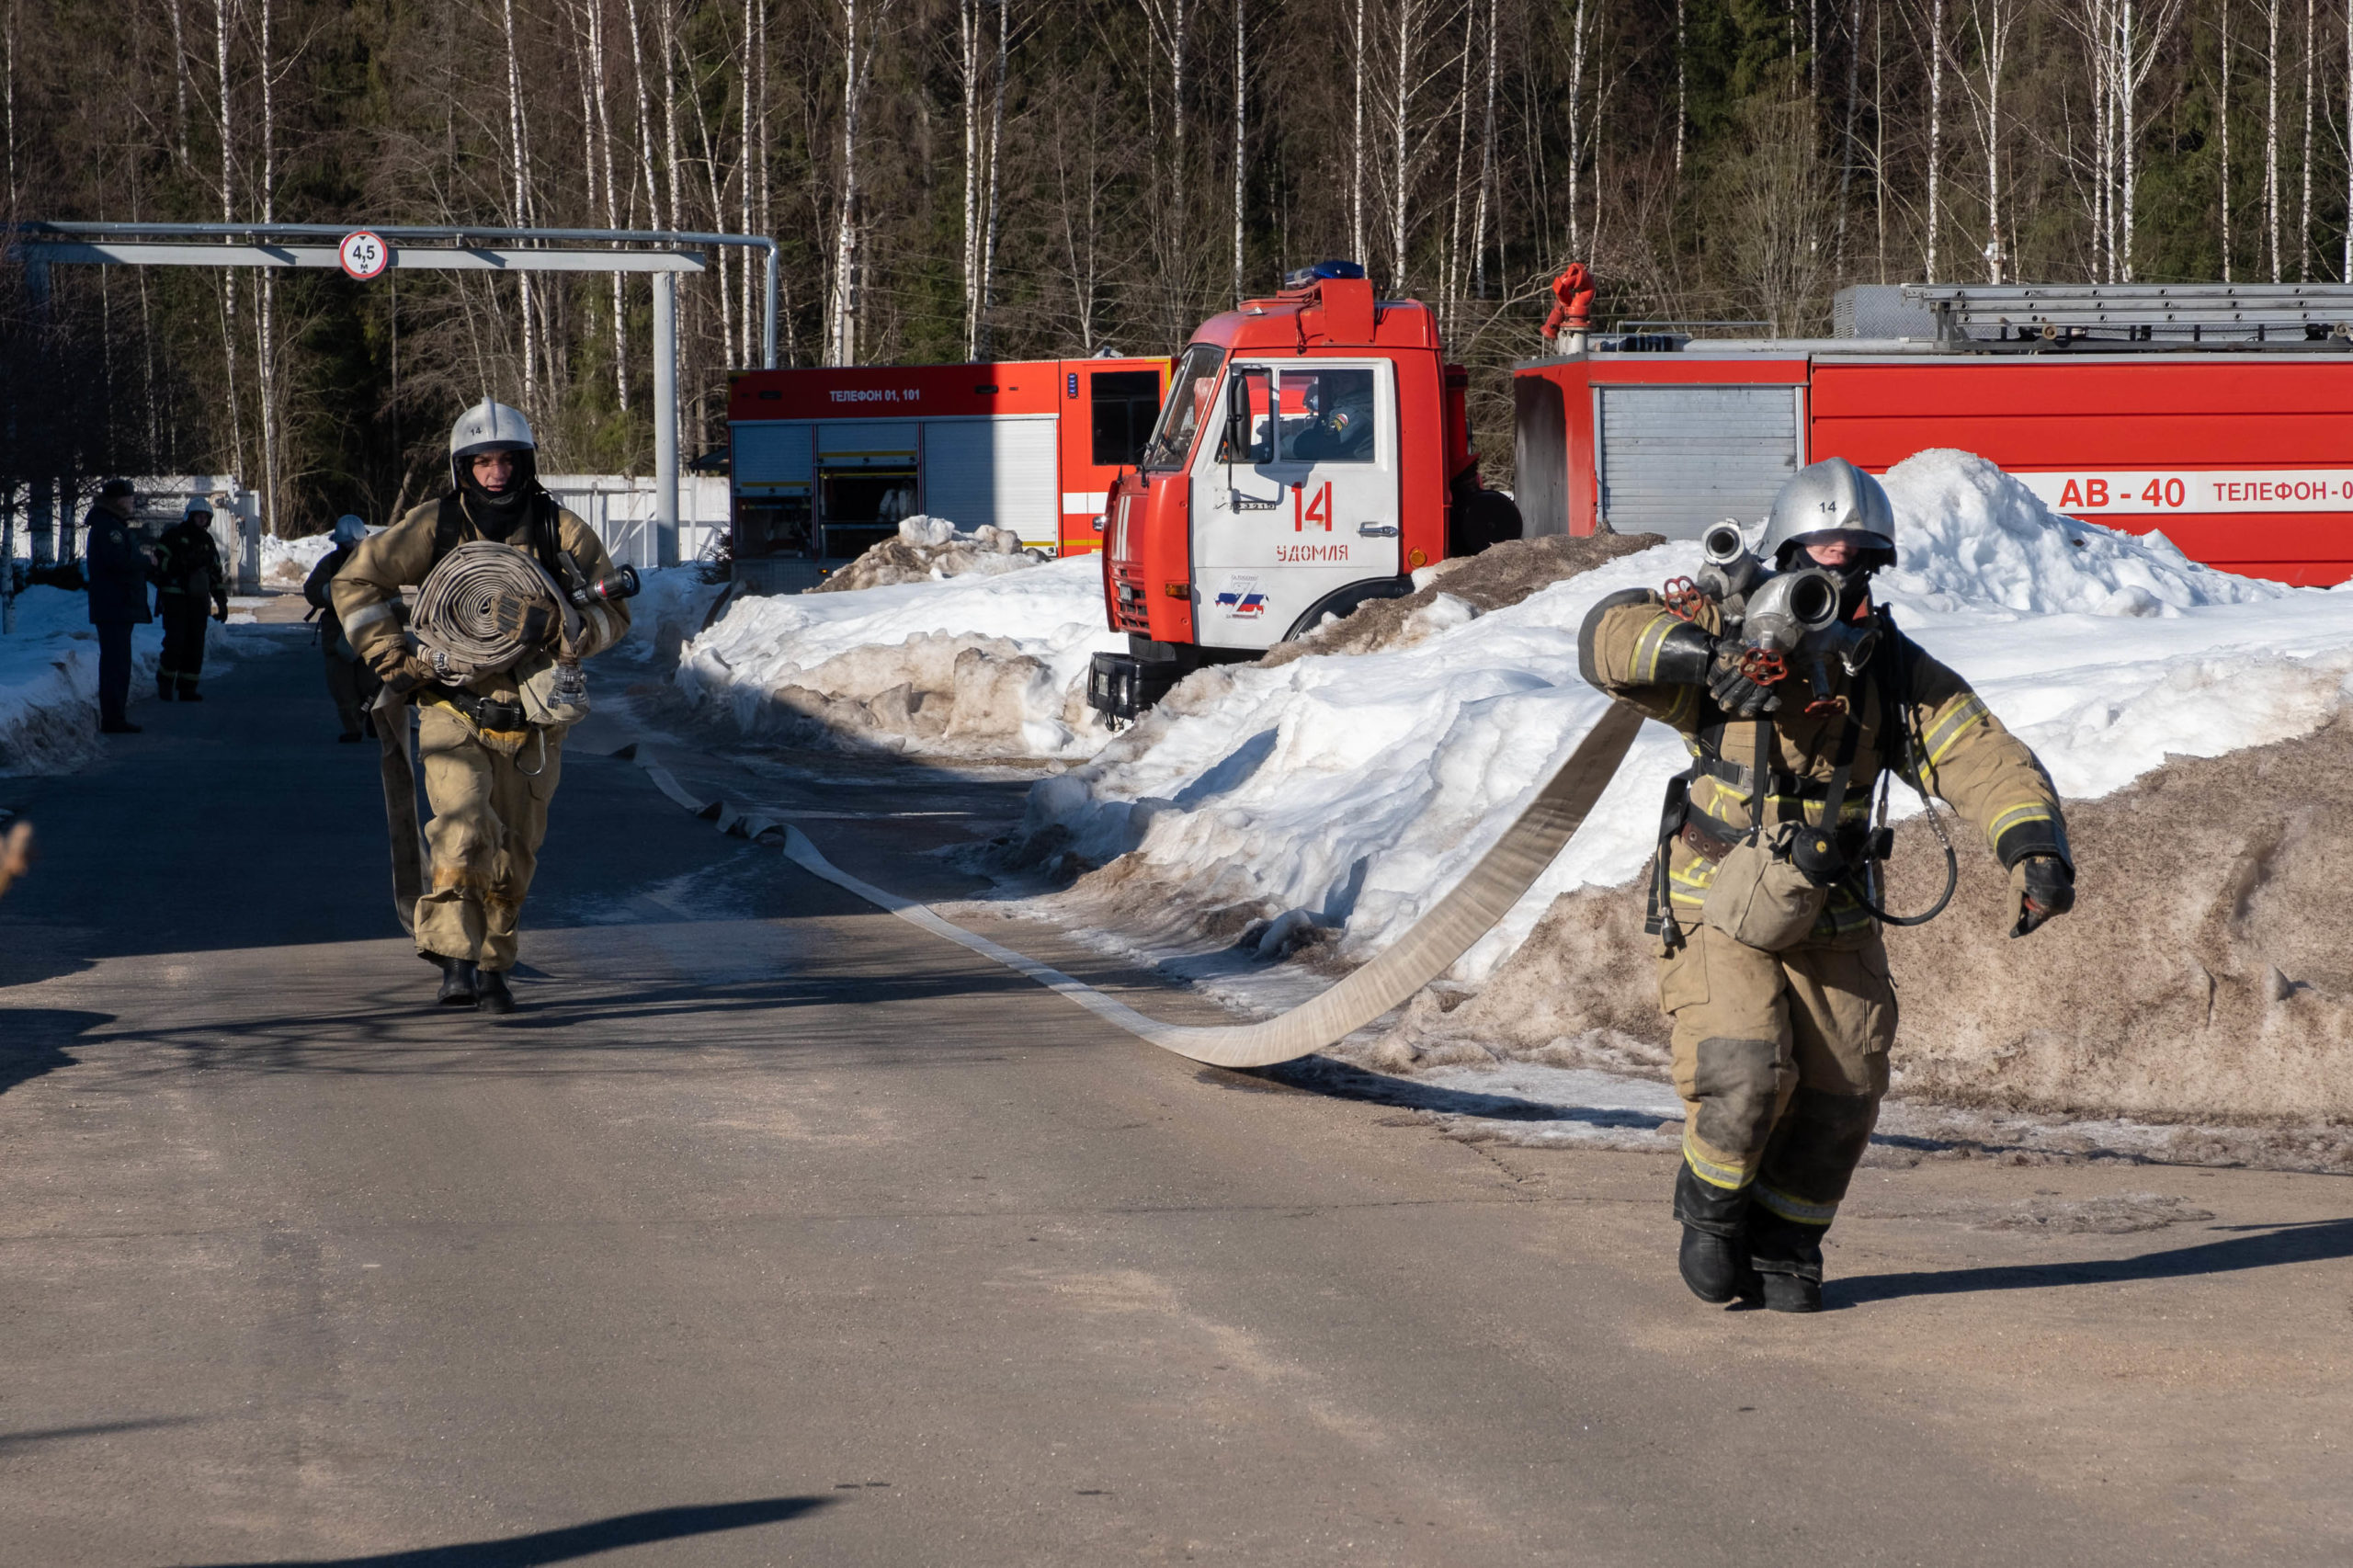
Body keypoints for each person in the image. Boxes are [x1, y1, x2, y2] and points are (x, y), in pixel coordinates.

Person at [1578, 457, 2075, 1312]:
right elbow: (1605, 637)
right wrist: (1706, 658)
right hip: (1718, 897)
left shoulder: (1891, 671)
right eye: (1818, 554)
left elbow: (1979, 755)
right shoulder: (1726, 624)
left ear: (1875, 567)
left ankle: (1786, 1244)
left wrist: (2035, 848)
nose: (1835, 574)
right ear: (1784, 551)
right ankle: (1714, 1214)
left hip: (1834, 902)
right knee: (1742, 1073)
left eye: (1854, 559)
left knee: (1847, 1088)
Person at [330, 401, 631, 1015]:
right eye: (482, 460)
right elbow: (355, 582)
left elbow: (615, 617)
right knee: (464, 828)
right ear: (462, 466)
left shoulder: (560, 530)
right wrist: (390, 655)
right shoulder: (434, 524)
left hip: (535, 724)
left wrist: (563, 629)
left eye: (506, 460)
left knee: (515, 851)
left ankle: (494, 964)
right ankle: (455, 960)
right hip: (452, 706)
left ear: (525, 462)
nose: (495, 471)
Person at [303, 515, 381, 742]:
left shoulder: (374, 563)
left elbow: (390, 589)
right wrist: (332, 592)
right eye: (348, 545)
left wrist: (396, 610)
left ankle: (376, 722)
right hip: (337, 633)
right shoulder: (330, 564)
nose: (353, 549)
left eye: (355, 544)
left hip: (369, 630)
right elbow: (312, 590)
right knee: (342, 686)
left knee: (372, 683)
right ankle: (353, 728)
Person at [84, 479, 151, 735]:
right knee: (115, 664)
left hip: (118, 604)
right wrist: (145, 561)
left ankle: (116, 716)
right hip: (114, 605)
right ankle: (113, 719)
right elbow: (118, 561)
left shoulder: (112, 526)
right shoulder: (108, 528)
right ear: (117, 501)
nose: (133, 501)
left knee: (118, 662)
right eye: (129, 497)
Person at [150, 496, 231, 701]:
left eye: (206, 517)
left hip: (198, 601)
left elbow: (215, 574)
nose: (202, 520)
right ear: (190, 516)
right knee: (175, 642)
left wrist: (221, 602)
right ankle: (165, 682)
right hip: (175, 598)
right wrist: (181, 564)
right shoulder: (173, 536)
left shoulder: (207, 542)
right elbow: (158, 563)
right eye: (199, 516)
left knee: (195, 645)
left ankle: (188, 688)